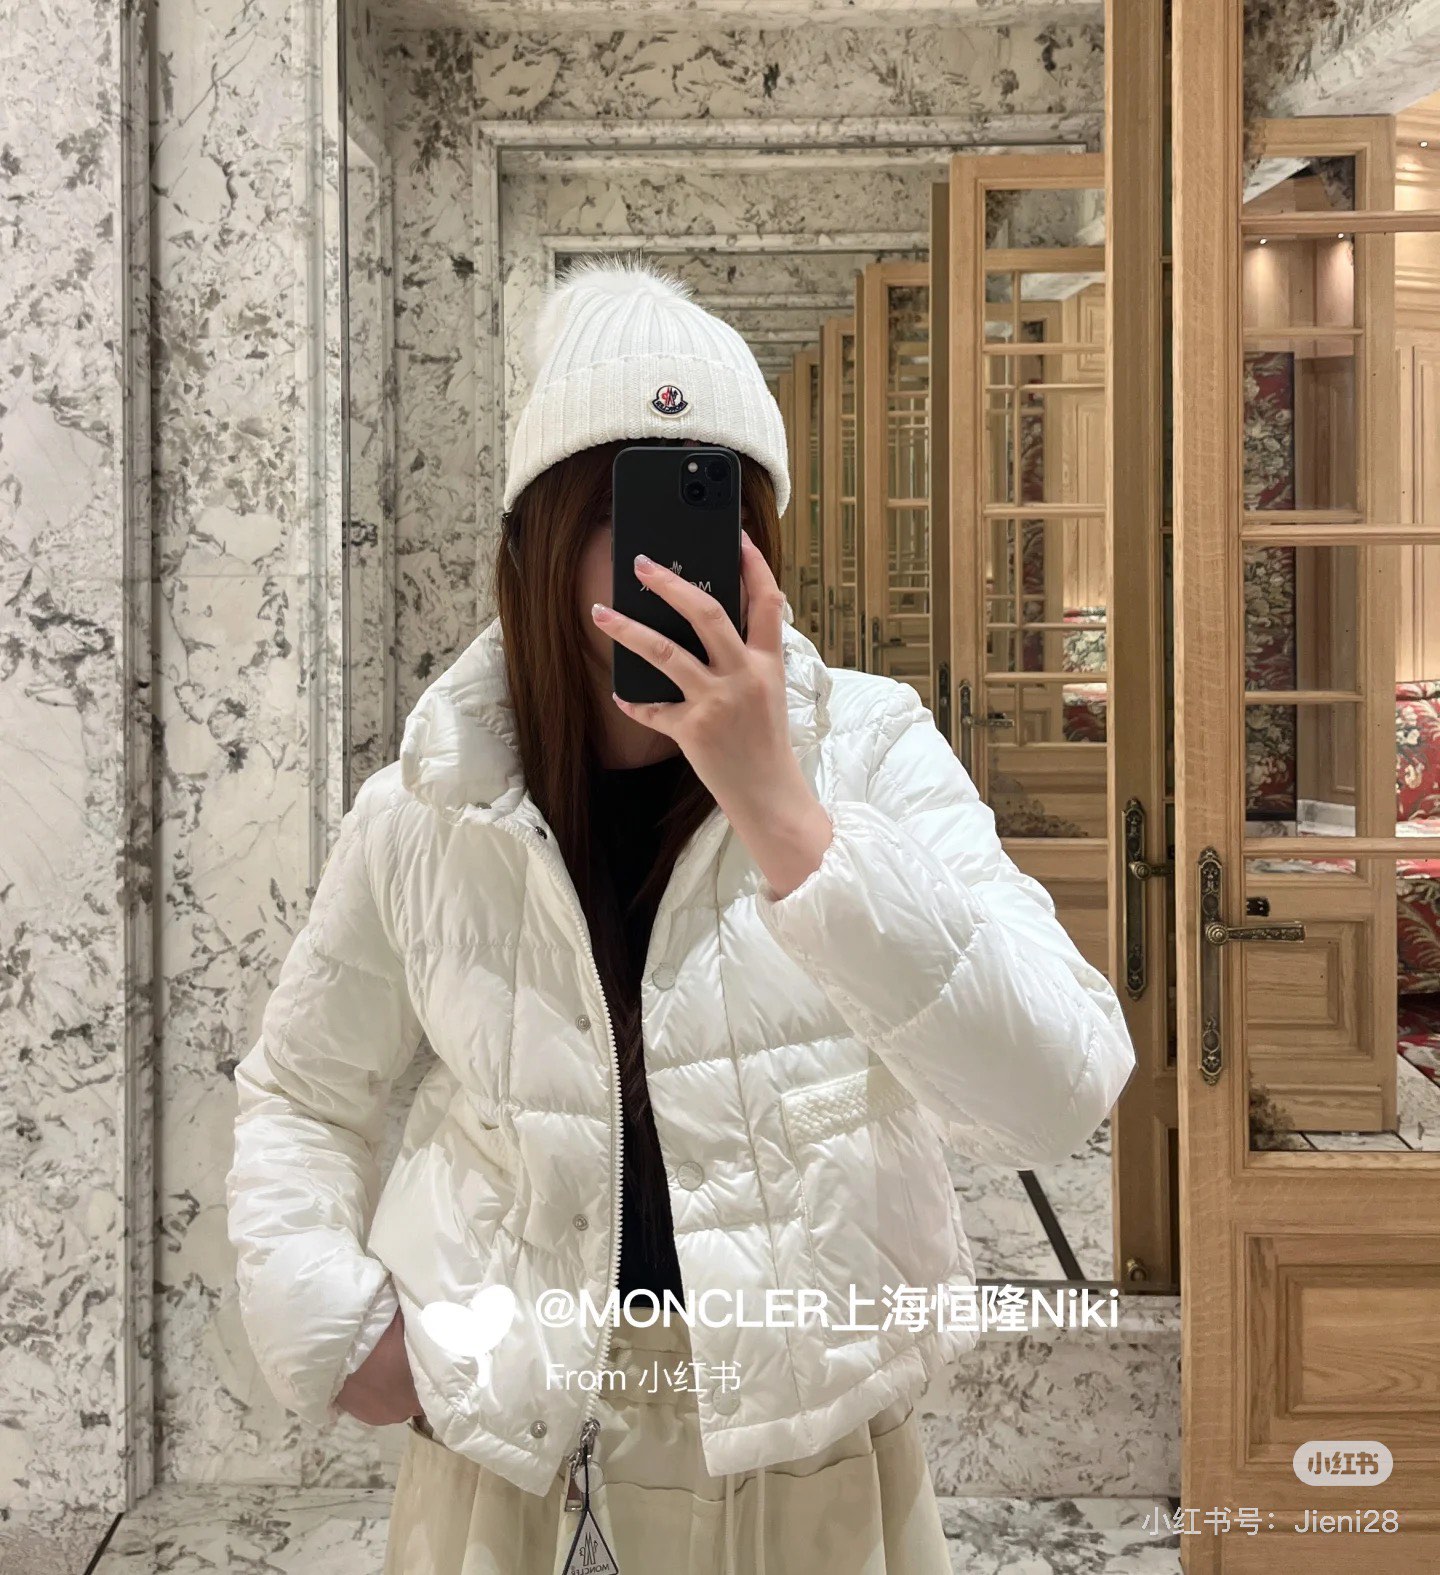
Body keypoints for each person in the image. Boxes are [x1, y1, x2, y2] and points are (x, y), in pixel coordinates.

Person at [224, 255, 1137, 1575]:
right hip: (512, 1458)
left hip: (804, 1457)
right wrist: (328, 1316)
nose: (674, 562)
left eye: (715, 511)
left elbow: (1057, 1093)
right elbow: (301, 1093)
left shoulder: (871, 753)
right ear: (535, 546)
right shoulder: (430, 805)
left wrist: (786, 815)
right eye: (621, 509)